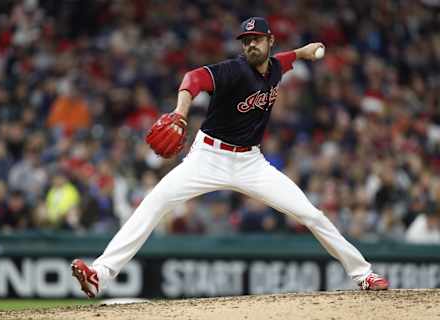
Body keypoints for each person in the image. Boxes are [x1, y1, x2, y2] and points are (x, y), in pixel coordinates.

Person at [71, 17, 388, 298]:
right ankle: (100, 275)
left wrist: (304, 52)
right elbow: (193, 79)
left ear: (269, 41)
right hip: (207, 157)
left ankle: (364, 274)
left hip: (251, 163)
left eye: (256, 39)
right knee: (153, 205)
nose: (250, 45)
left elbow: (286, 60)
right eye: (246, 41)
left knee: (312, 215)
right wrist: (181, 112)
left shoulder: (275, 66)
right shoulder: (234, 70)